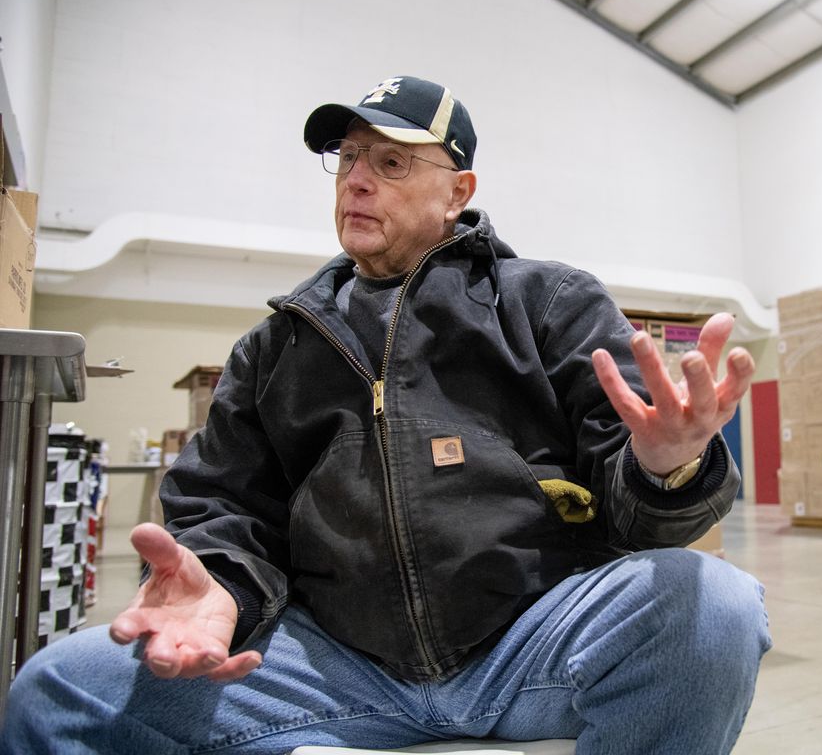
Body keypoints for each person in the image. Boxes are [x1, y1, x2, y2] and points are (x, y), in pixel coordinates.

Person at [0, 76, 770, 755]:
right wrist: (223, 588)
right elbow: (223, 507)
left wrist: (668, 466)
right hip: (336, 662)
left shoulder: (548, 303)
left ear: (457, 192)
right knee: (62, 686)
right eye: (348, 158)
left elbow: (643, 518)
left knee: (715, 607)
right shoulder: (276, 348)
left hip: (530, 644)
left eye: (391, 162)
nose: (357, 180)